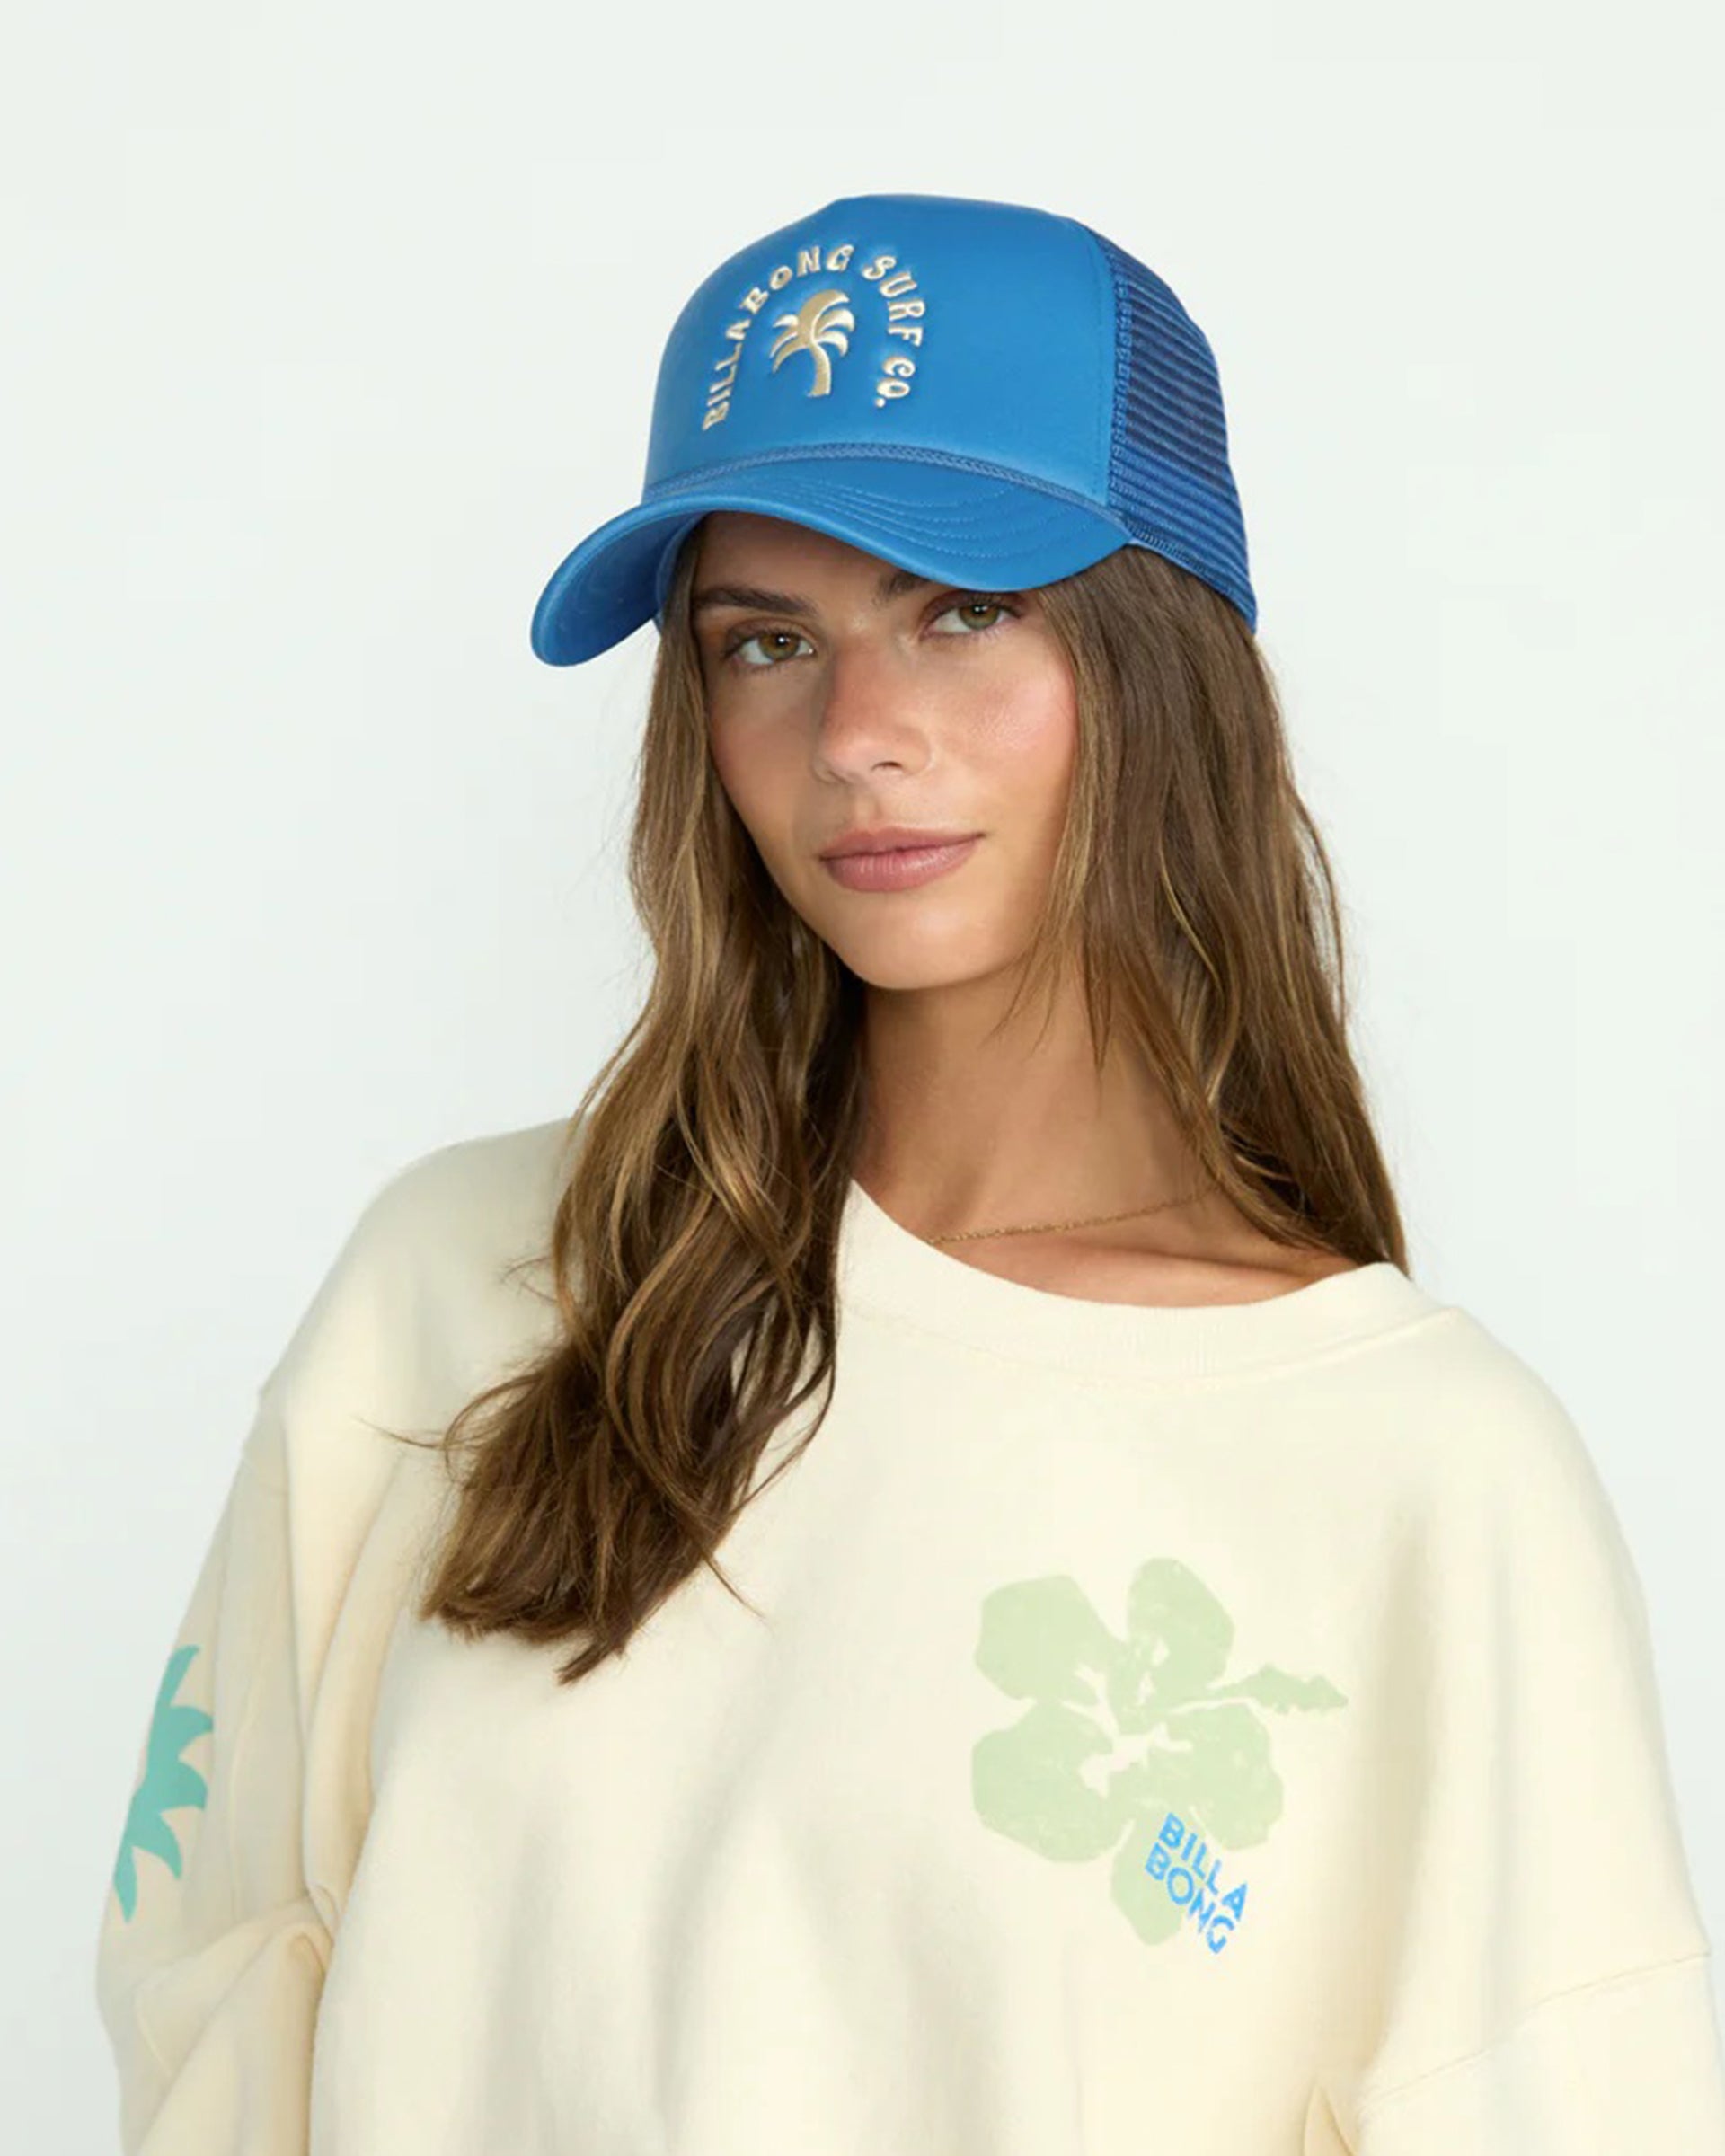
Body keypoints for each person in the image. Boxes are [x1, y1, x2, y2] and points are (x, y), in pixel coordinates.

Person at [93, 190, 1725, 2153]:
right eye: (765, 642)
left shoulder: (1423, 1479)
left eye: (963, 610)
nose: (857, 736)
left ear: (1162, 656)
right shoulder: (460, 1288)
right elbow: (215, 2001)